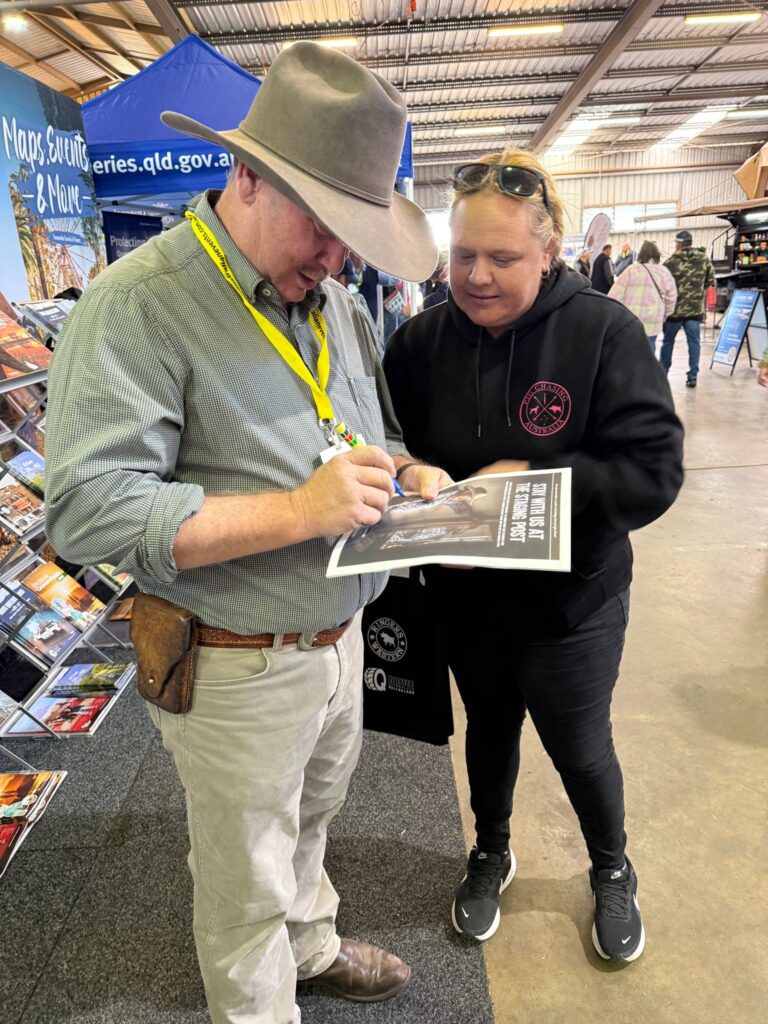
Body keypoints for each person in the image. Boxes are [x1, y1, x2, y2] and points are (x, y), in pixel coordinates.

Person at [44, 42, 446, 1024]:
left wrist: (402, 468)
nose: (339, 256)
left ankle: (309, 948)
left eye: (356, 233)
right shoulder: (140, 303)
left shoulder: (338, 301)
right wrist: (302, 511)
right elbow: (87, 510)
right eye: (324, 225)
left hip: (336, 641)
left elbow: (363, 428)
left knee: (309, 825)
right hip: (234, 665)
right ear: (246, 177)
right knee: (242, 882)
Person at [383, 149, 683, 965]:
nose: (476, 276)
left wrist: (536, 482)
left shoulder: (602, 333)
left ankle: (611, 866)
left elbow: (654, 470)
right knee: (488, 733)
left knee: (580, 746)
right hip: (468, 606)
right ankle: (491, 849)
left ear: (548, 252)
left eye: (502, 258)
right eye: (462, 255)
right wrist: (410, 471)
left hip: (570, 609)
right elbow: (383, 444)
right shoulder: (415, 345)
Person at [661, 229, 716, 387]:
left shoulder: (670, 262)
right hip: (695, 310)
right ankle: (692, 376)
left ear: (678, 244)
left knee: (668, 342)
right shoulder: (703, 259)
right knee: (694, 343)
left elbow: (663, 286)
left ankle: (663, 373)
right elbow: (710, 281)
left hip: (675, 312)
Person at [609, 240, 677, 351]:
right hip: (653, 321)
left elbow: (614, 295)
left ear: (641, 254)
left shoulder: (631, 270)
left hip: (631, 321)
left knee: (628, 353)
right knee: (649, 353)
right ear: (656, 255)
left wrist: (616, 317)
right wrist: (664, 314)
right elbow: (672, 298)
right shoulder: (664, 272)